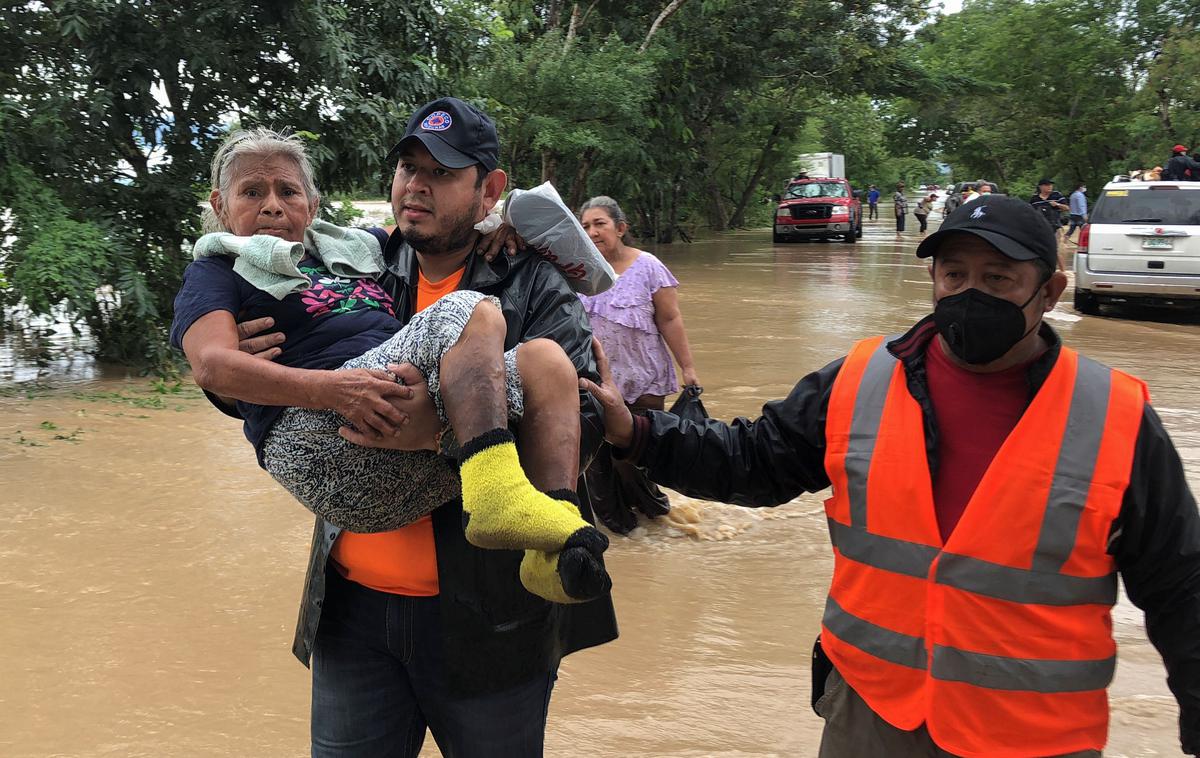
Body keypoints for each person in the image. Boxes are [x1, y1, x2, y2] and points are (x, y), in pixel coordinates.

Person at [582, 194, 1200, 758]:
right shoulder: (859, 381)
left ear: (1052, 291)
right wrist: (635, 432)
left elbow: (1181, 587)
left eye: (998, 279)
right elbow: (753, 460)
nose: (969, 293)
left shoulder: (1113, 417)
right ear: (932, 278)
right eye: (955, 275)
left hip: (1032, 735)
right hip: (872, 717)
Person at [226, 98, 619, 756]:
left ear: (489, 190)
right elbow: (268, 386)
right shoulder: (360, 269)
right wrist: (237, 362)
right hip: (352, 613)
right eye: (408, 168)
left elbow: (583, 421)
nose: (416, 186)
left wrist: (435, 431)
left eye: (440, 173)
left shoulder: (534, 284)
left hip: (489, 615)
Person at [173, 126, 610, 606]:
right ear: (219, 205)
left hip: (463, 581)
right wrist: (330, 390)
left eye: (441, 173)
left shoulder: (352, 253)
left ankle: (555, 549)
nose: (273, 206)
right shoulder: (220, 268)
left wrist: (507, 224)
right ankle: (495, 497)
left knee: (545, 360)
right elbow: (212, 366)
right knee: (470, 308)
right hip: (328, 444)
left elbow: (585, 413)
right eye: (252, 192)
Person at [576, 195, 700, 534]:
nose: (592, 232)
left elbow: (671, 319)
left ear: (621, 228)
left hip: (642, 379)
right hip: (594, 383)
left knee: (632, 458)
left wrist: (687, 368)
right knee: (595, 461)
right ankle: (622, 531)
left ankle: (655, 515)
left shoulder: (648, 267)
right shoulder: (576, 270)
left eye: (599, 224)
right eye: (585, 226)